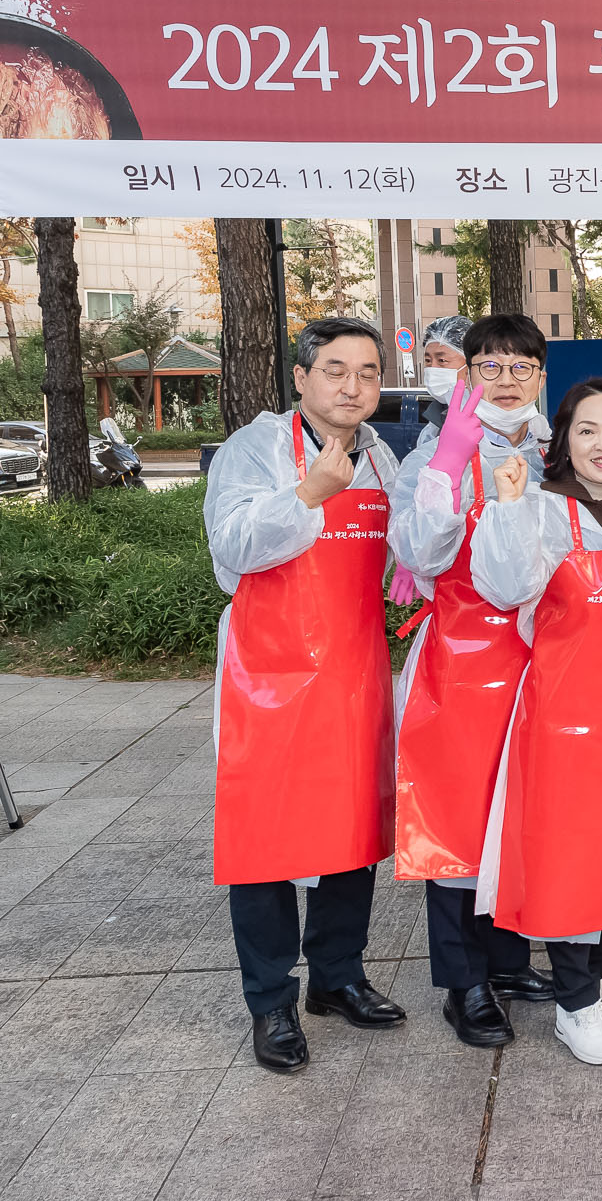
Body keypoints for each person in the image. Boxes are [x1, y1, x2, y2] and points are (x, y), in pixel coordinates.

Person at [205, 316, 408, 1073]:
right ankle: (271, 1002)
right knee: (263, 845)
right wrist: (309, 494)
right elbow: (231, 550)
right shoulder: (255, 449)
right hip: (270, 677)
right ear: (300, 377)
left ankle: (337, 975)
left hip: (353, 672)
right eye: (334, 370)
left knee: (350, 834)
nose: (352, 386)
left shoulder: (384, 457)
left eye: (366, 371)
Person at [470, 377, 602, 1065]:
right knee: (569, 853)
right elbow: (501, 584)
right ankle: (574, 999)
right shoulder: (545, 510)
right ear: (564, 442)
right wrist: (505, 504)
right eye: (586, 430)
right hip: (563, 712)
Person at [387, 313, 558, 1048]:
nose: (509, 380)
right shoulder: (439, 449)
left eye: (523, 366)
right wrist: (446, 464)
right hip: (460, 655)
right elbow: (420, 552)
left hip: (545, 658)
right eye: (492, 366)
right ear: (468, 375)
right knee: (458, 815)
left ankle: (510, 957)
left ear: (542, 375)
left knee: (522, 809)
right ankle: (464, 982)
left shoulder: (564, 449)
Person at [410, 314, 472, 433]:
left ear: (470, 365)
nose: (432, 368)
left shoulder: (491, 422)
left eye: (442, 361)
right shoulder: (434, 425)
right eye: (428, 361)